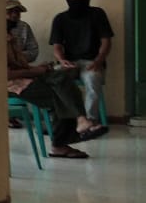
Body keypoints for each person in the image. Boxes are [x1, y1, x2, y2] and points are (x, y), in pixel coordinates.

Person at [8, 23, 107, 158]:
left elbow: (23, 62)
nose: (15, 15)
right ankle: (64, 140)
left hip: (27, 76)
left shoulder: (11, 35)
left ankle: (78, 123)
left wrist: (39, 68)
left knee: (62, 78)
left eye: (17, 13)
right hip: (12, 84)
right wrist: (36, 71)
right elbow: (6, 74)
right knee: (60, 96)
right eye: (10, 13)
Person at [48, 0, 114, 120]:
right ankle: (60, 120)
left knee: (92, 80)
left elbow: (106, 41)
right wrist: (62, 60)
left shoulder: (98, 14)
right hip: (69, 62)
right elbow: (57, 46)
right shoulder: (60, 19)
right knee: (55, 78)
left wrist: (99, 60)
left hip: (92, 62)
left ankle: (89, 121)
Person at [6, 0, 39, 64]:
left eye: (17, 11)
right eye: (10, 11)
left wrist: (17, 56)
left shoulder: (24, 27)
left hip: (19, 66)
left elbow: (34, 51)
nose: (14, 15)